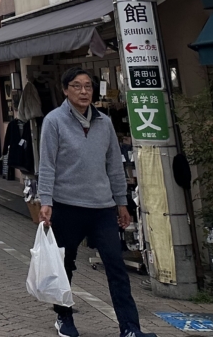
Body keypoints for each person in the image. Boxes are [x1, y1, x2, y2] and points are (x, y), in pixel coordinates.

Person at [39, 67, 154, 337]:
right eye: (77, 86)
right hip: (67, 205)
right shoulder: (54, 121)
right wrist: (46, 201)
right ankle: (64, 317)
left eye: (88, 86)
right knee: (65, 265)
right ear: (66, 89)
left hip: (102, 208)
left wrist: (122, 203)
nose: (83, 91)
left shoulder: (104, 122)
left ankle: (130, 328)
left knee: (116, 267)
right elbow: (47, 165)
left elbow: (114, 165)